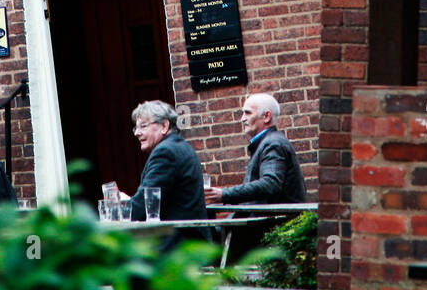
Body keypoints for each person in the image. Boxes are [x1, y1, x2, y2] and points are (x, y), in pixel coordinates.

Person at [121, 100, 206, 246]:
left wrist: (121, 206)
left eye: (143, 126)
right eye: (136, 127)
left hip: (174, 246)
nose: (137, 133)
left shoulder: (165, 152)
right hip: (187, 240)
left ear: (164, 126)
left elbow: (144, 204)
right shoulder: (181, 146)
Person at [204, 93, 306, 205]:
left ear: (266, 117)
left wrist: (225, 194)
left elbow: (270, 184)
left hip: (274, 220)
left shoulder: (273, 143)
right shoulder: (268, 142)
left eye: (248, 113)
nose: (242, 119)